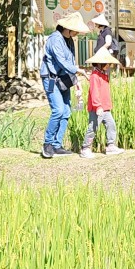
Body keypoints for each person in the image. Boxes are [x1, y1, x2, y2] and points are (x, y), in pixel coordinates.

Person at [40, 13, 89, 159]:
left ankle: (57, 145)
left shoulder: (69, 40)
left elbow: (71, 61)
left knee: (67, 111)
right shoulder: (55, 39)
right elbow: (62, 61)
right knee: (58, 110)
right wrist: (79, 70)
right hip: (50, 78)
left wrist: (76, 81)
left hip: (64, 78)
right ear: (68, 28)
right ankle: (47, 144)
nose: (77, 33)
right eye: (76, 30)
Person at [80, 47, 125, 158]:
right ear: (100, 63)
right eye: (107, 63)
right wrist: (98, 106)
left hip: (105, 108)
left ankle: (111, 146)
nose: (109, 65)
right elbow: (94, 92)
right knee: (93, 127)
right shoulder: (95, 76)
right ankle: (85, 148)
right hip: (97, 108)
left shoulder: (104, 75)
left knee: (111, 125)